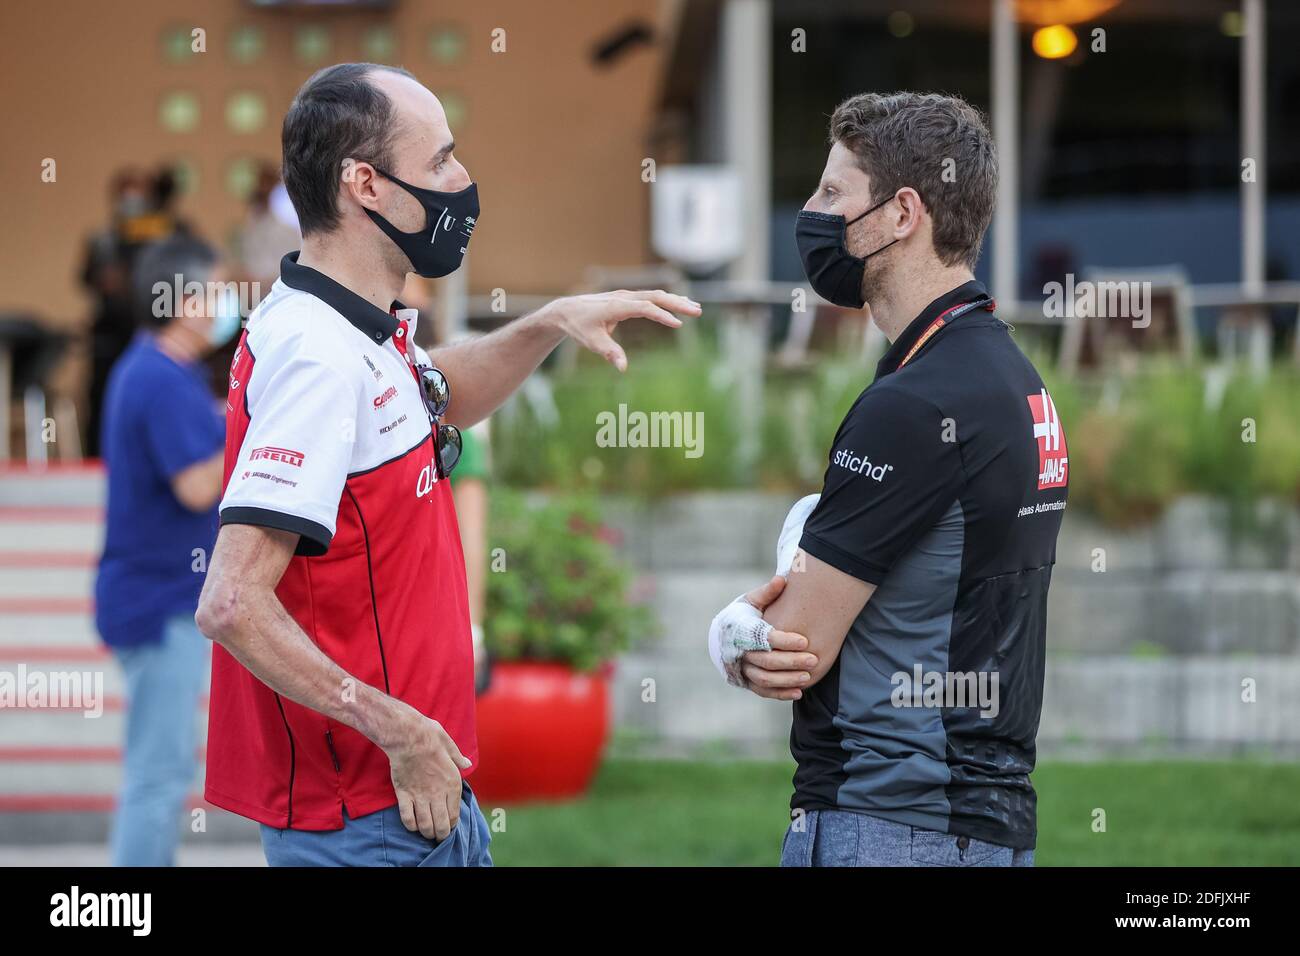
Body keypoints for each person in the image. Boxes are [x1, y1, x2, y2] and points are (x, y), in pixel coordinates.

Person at [194, 62, 700, 867]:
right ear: (365, 184)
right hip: (369, 815)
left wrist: (546, 324)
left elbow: (437, 396)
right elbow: (230, 602)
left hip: (409, 799)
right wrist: (400, 731)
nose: (462, 183)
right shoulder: (319, 356)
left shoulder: (350, 324)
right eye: (440, 161)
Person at [711, 92, 1069, 867]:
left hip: (887, 821)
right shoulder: (1014, 378)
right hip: (985, 824)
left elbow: (791, 645)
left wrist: (732, 630)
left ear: (903, 212)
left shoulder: (914, 403)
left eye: (833, 193)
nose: (811, 212)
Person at [95, 233, 238, 865]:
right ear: (182, 300)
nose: (226, 301)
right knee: (158, 776)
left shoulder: (161, 371)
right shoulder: (160, 378)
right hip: (159, 603)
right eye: (216, 288)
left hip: (158, 598)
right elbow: (196, 485)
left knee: (161, 768)